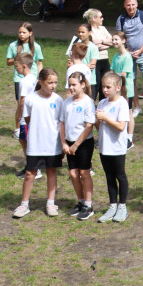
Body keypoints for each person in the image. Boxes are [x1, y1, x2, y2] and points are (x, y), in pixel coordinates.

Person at [12, 68, 63, 219]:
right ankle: (24, 204)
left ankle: (51, 202)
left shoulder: (58, 100)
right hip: (35, 144)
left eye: (55, 82)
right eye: (50, 82)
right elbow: (28, 121)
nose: (53, 86)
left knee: (51, 171)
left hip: (52, 144)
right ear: (40, 82)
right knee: (29, 174)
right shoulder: (30, 99)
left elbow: (60, 122)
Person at [95, 71, 133, 223]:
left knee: (120, 175)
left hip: (116, 147)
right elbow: (100, 127)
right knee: (109, 177)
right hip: (104, 147)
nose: (104, 90)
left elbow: (121, 126)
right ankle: (112, 205)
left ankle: (122, 206)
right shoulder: (102, 103)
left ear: (118, 87)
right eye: (103, 87)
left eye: (108, 87)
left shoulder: (122, 103)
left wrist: (104, 117)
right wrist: (97, 120)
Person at [60, 73, 96, 221]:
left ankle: (88, 205)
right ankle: (80, 201)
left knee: (84, 173)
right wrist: (63, 142)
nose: (71, 87)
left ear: (82, 85)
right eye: (70, 84)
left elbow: (88, 127)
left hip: (84, 143)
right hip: (69, 143)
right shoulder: (66, 102)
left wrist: (76, 145)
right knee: (73, 174)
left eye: (74, 84)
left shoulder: (88, 102)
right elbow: (62, 123)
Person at [116, 0, 143, 119]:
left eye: (133, 4)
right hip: (128, 56)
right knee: (131, 81)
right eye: (128, 5)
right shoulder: (121, 19)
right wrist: (127, 51)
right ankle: (137, 106)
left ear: (137, 4)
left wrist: (141, 50)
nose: (131, 7)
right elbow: (119, 37)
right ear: (124, 5)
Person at [84, 8, 113, 102]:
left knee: (104, 85)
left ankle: (103, 106)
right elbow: (94, 47)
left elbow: (112, 42)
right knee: (94, 86)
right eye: (100, 17)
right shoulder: (89, 30)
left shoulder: (103, 28)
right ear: (94, 19)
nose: (102, 19)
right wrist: (105, 44)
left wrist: (101, 41)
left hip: (105, 60)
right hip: (96, 61)